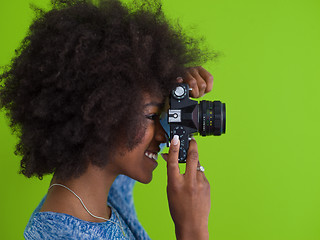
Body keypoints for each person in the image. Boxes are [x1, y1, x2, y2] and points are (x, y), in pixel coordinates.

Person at [0, 0, 216, 239]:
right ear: (102, 115)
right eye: (154, 116)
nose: (163, 134)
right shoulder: (61, 235)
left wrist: (174, 91)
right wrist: (193, 229)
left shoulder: (106, 196)